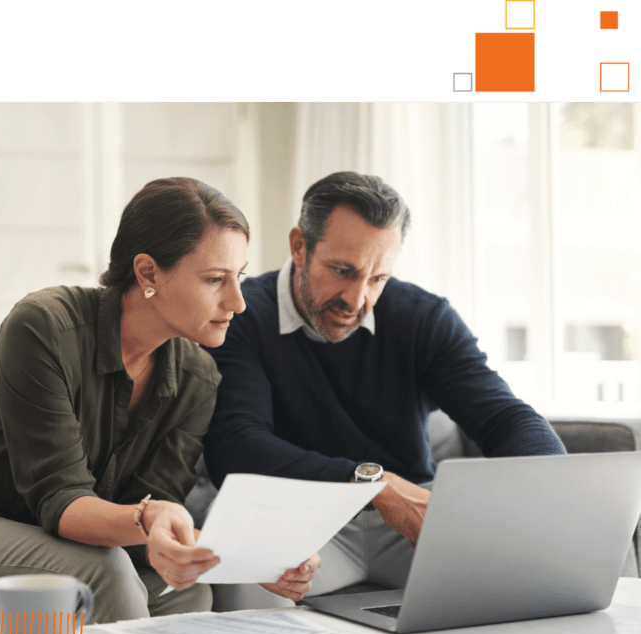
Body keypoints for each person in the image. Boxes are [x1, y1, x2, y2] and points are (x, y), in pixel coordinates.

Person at [0, 177, 319, 624]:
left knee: (184, 595)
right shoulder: (44, 327)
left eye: (239, 277)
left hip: (39, 529)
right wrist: (149, 519)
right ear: (148, 272)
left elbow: (152, 510)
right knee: (104, 573)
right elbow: (63, 498)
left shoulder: (196, 375)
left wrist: (252, 559)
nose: (238, 302)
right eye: (214, 279)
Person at [204, 171, 566, 598]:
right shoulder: (243, 315)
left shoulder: (423, 318)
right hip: (299, 518)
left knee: (533, 581)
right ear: (299, 246)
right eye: (343, 271)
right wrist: (372, 483)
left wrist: (553, 489)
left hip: (411, 518)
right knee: (243, 589)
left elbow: (503, 417)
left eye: (378, 279)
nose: (357, 300)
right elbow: (236, 446)